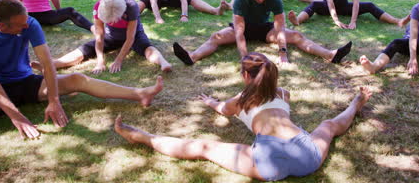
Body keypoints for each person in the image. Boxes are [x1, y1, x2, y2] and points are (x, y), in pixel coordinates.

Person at [115, 52, 373, 181]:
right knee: (328, 126)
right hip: (306, 155)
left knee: (204, 147)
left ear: (246, 77)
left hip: (267, 160)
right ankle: (356, 103)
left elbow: (222, 110)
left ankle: (143, 137)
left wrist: (212, 102)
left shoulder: (239, 101)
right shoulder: (284, 93)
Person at [0, 0, 164, 139]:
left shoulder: (29, 23)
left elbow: (47, 63)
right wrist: (17, 116)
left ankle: (141, 94)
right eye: (20, 25)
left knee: (77, 79)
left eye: (26, 21)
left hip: (25, 81)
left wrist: (54, 100)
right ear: (1, 26)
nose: (26, 26)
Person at [172, 0, 352, 66]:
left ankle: (331, 55)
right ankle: (192, 57)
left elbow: (280, 27)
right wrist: (245, 57)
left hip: (265, 29)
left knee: (296, 36)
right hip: (243, 27)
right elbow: (240, 33)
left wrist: (282, 54)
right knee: (216, 37)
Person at [44, 0, 172, 73]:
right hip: (111, 37)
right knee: (86, 49)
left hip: (135, 35)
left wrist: (118, 60)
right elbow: (99, 35)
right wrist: (100, 61)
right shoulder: (98, 7)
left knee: (147, 48)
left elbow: (130, 38)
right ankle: (53, 64)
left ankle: (163, 63)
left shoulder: (132, 6)